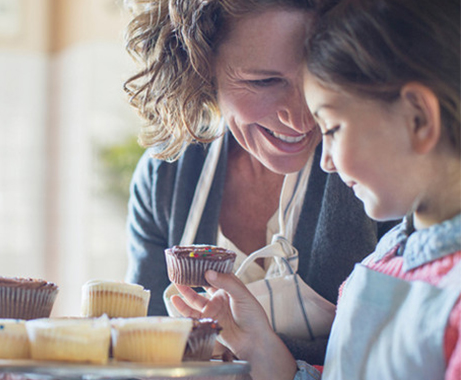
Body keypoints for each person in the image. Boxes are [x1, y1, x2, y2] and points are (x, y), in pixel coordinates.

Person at [173, 0, 461, 378]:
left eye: (333, 128)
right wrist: (257, 343)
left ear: (418, 119)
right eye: (264, 81)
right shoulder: (387, 257)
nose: (324, 160)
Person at [123, 0, 396, 364]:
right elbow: (144, 348)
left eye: (317, 76)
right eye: (264, 81)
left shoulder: (379, 173)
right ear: (201, 67)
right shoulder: (166, 178)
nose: (300, 118)